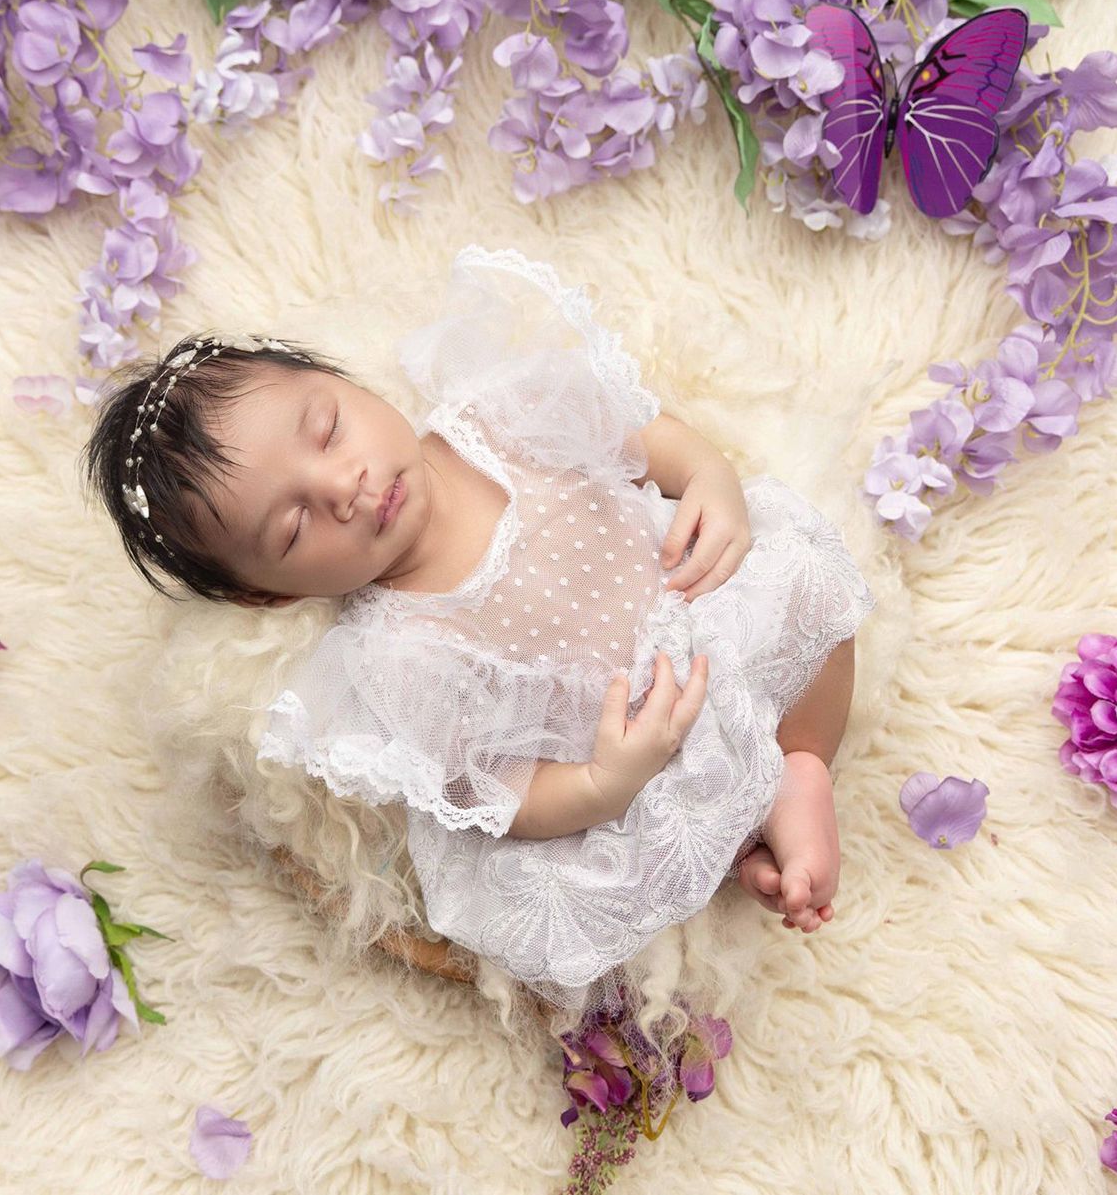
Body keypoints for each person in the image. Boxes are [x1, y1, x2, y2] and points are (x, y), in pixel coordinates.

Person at [80, 243, 875, 1017]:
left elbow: (637, 435)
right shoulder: (394, 656)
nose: (343, 486)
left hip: (704, 612)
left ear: (342, 382)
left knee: (803, 585)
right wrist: (605, 782)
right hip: (629, 747)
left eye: (327, 429)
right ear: (269, 596)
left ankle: (802, 759)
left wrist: (709, 477)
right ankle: (746, 826)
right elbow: (503, 794)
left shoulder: (496, 414)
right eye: (292, 527)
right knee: (604, 863)